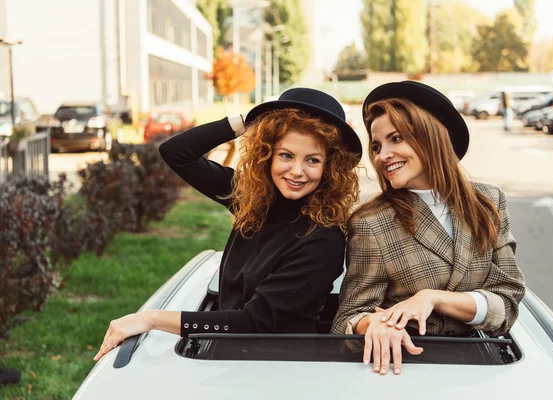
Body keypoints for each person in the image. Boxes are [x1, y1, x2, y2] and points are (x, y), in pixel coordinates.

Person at [94, 88, 362, 361]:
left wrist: (151, 319)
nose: (296, 171)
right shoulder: (253, 199)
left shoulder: (323, 239)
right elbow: (176, 153)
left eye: (313, 160)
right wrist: (253, 121)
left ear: (330, 167)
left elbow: (253, 323)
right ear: (267, 153)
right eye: (286, 155)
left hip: (281, 370)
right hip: (232, 356)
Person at [331, 81, 526, 376]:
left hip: (479, 369)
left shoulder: (488, 202)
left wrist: (432, 298)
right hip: (404, 371)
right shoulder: (371, 222)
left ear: (430, 137)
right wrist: (376, 325)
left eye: (396, 138)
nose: (383, 155)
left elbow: (507, 302)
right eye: (377, 146)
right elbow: (347, 319)